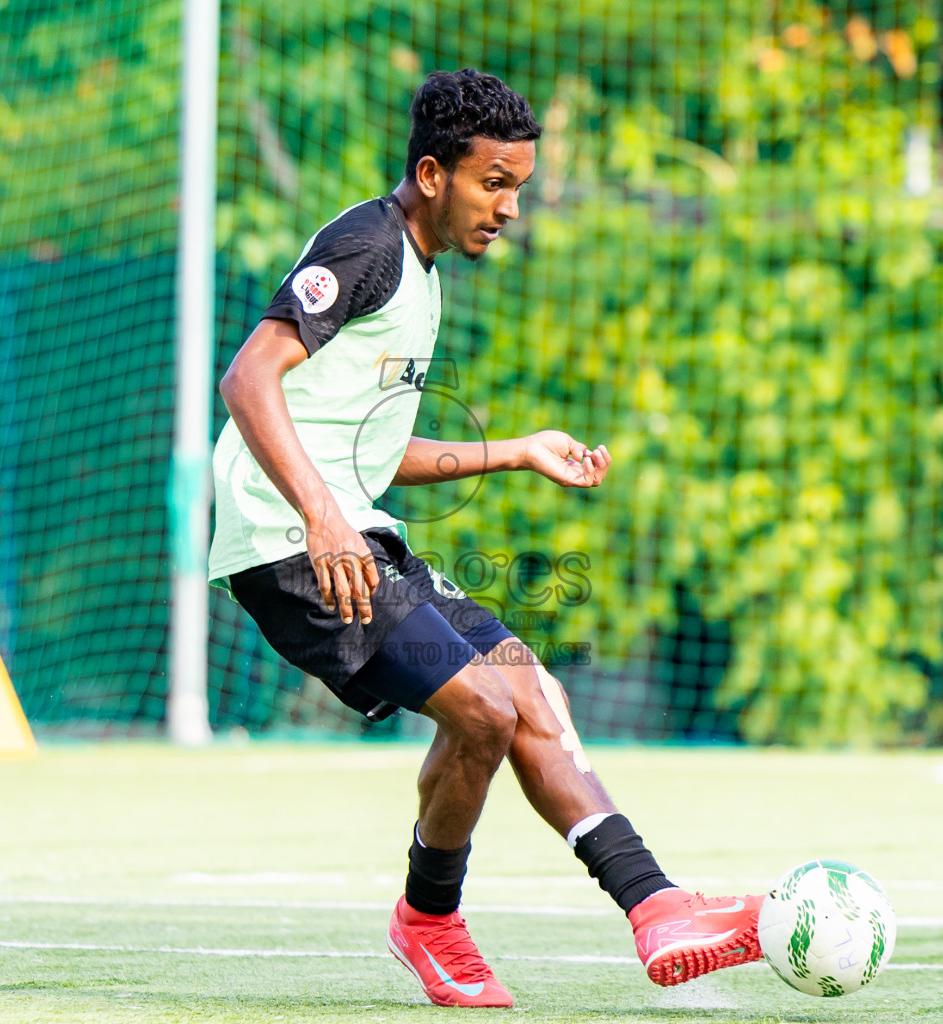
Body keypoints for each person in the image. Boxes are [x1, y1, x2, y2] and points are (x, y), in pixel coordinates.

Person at [210, 68, 762, 1007]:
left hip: (356, 532)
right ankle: (431, 919)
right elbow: (248, 379)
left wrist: (518, 451)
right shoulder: (367, 245)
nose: (509, 207)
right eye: (494, 183)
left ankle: (657, 904)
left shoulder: (419, 274)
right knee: (483, 709)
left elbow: (371, 455)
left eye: (519, 187)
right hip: (288, 543)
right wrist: (320, 513)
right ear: (433, 173)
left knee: (526, 688)